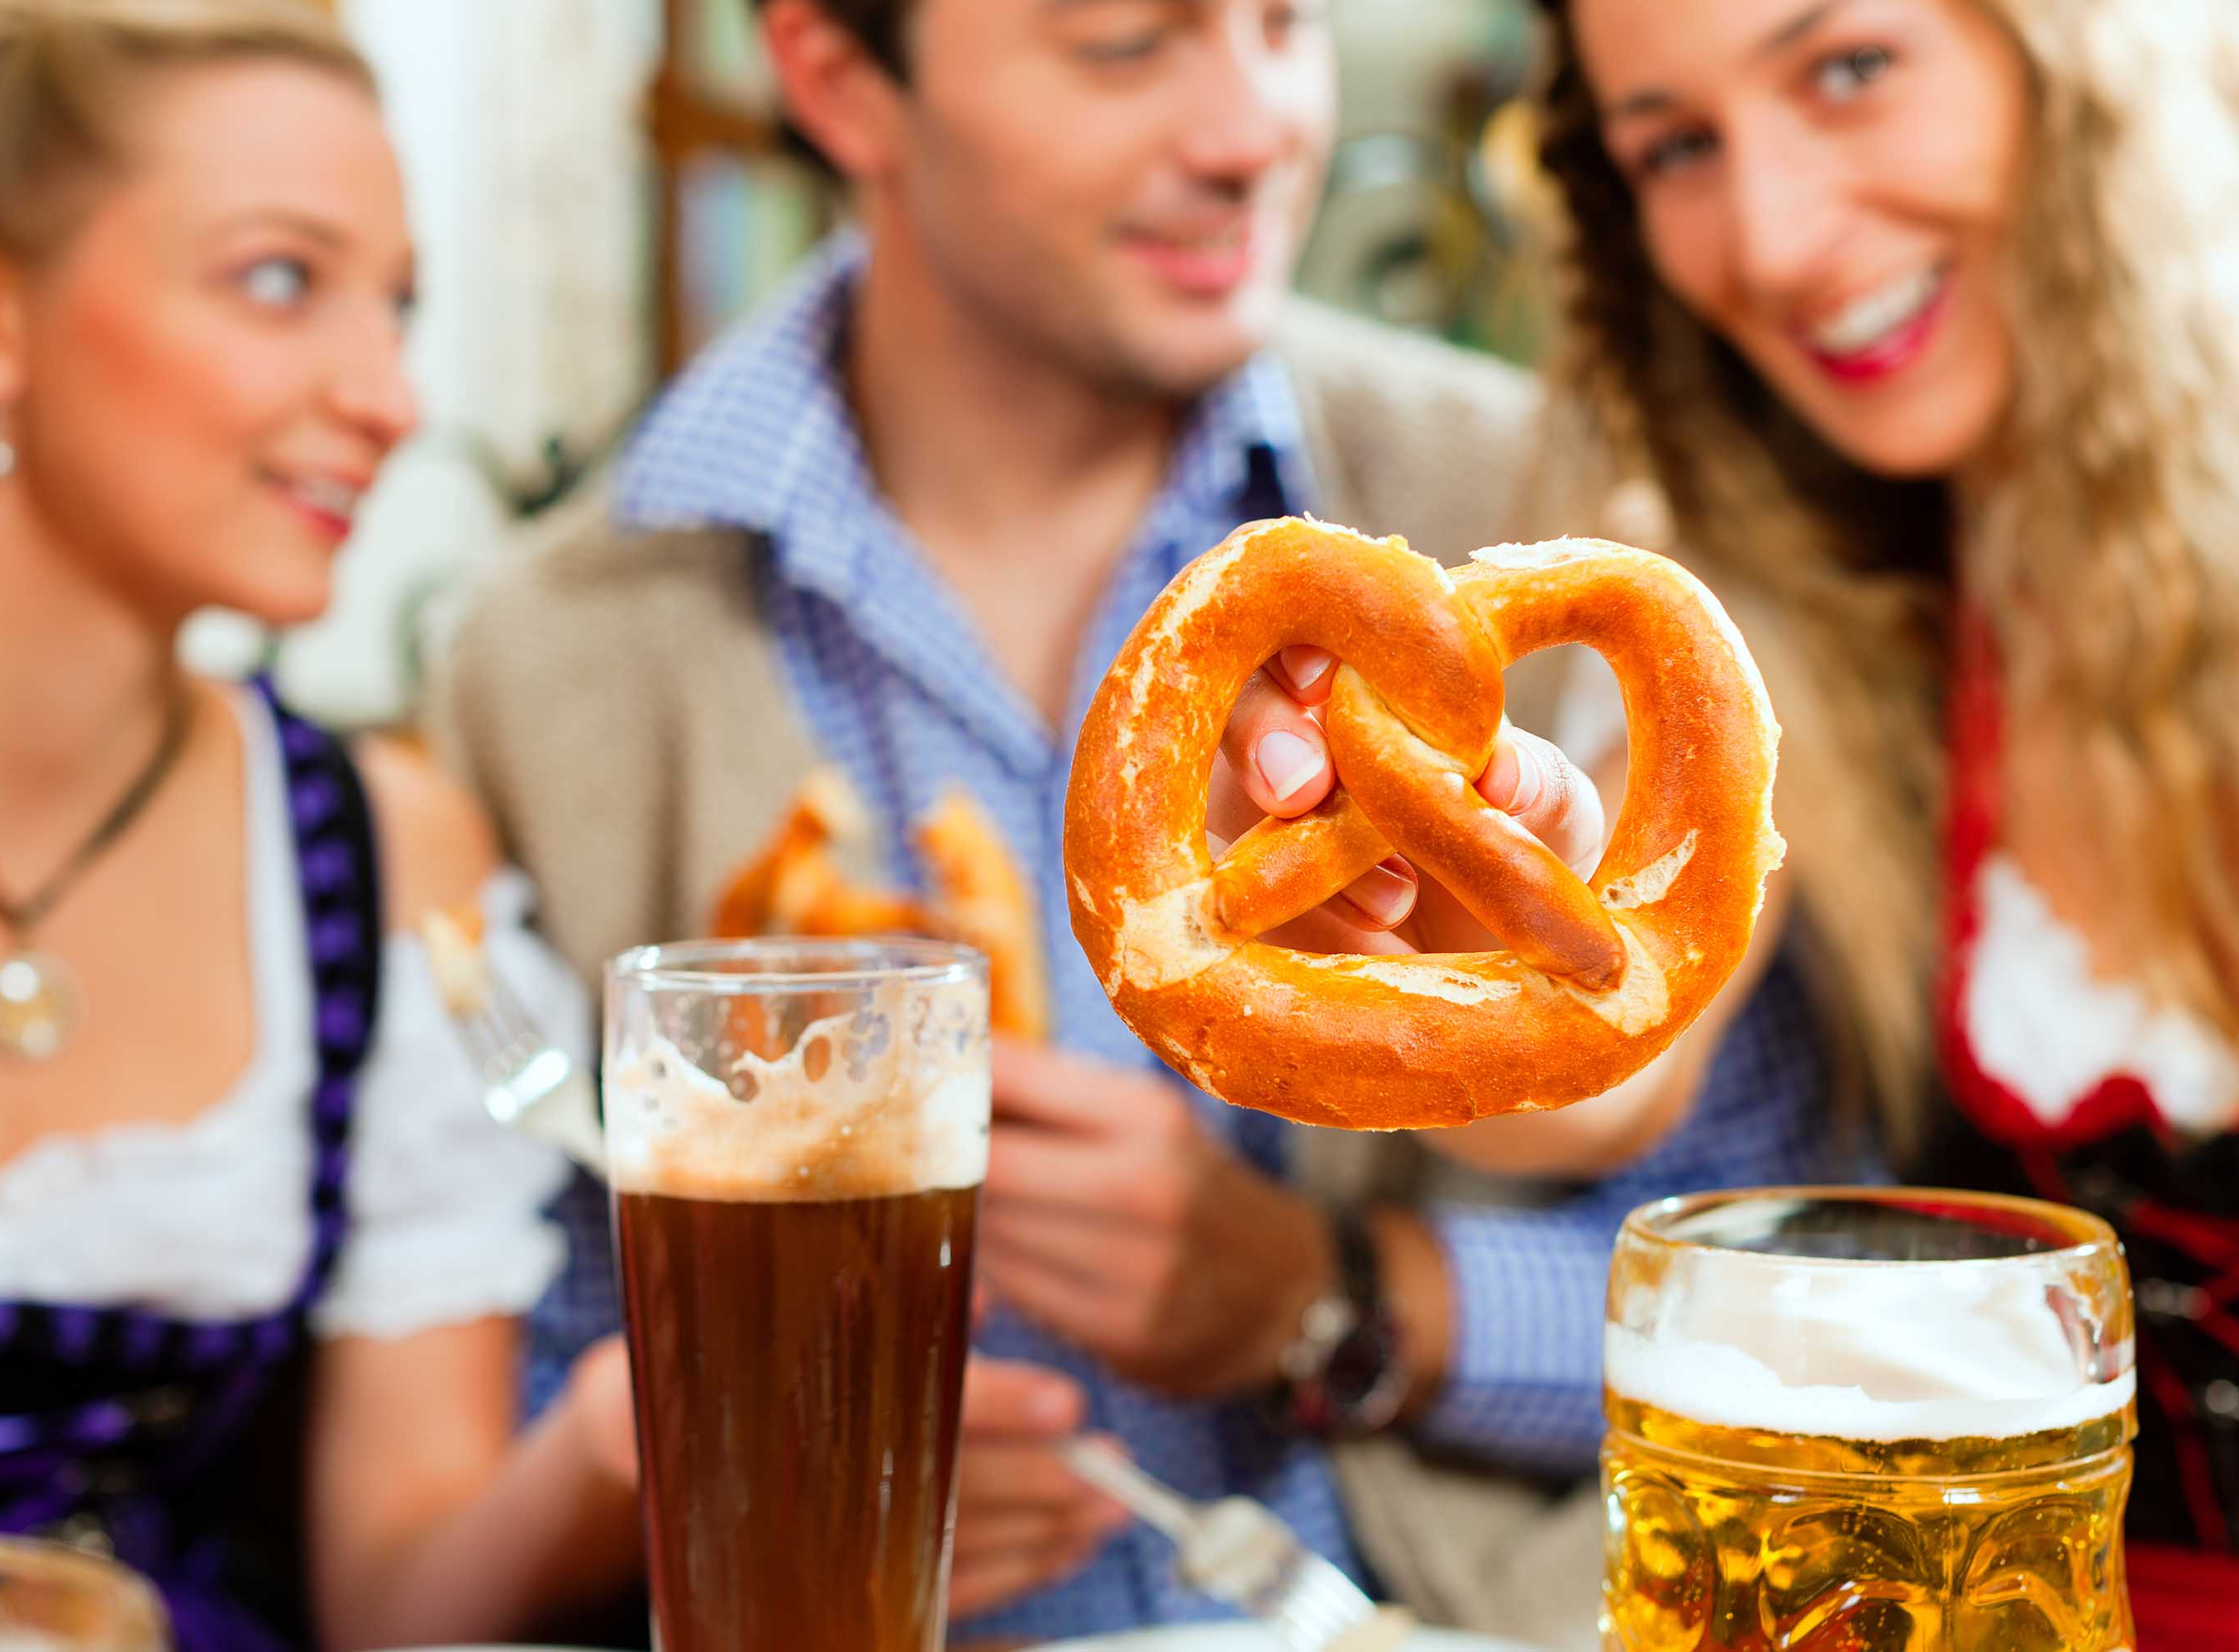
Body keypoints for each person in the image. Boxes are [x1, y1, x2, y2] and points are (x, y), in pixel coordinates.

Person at [433, 0, 1840, 1640]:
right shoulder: (545, 662)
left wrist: (1331, 1302)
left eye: (1282, 23)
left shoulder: (1555, 508)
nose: (1252, 130)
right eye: (1126, 43)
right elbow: (510, 1389)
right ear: (833, 76)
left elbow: (1793, 1312)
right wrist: (754, 1455)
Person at [1532, 0, 2239, 1643]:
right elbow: (1595, 1069)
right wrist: (1442, 909)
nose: (1773, 239)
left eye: (1848, 69)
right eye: (1677, 148)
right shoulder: (1805, 591)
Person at [0, 4, 645, 1648]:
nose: (387, 397)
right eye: (279, 279)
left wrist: (618, 1438)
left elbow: (396, 1604)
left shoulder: (385, 856)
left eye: (397, 307)